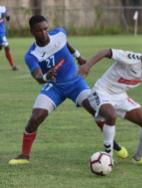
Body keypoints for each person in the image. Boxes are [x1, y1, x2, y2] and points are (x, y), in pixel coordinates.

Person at [8, 15, 127, 165]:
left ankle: (112, 144)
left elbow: (65, 44)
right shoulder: (31, 55)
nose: (44, 33)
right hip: (54, 87)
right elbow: (38, 77)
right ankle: (24, 156)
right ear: (31, 31)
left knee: (96, 110)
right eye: (39, 31)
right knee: (36, 117)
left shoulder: (59, 33)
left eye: (45, 29)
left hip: (76, 83)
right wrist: (46, 76)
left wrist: (78, 56)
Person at [0, 5, 17, 70]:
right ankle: (13, 65)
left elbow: (7, 17)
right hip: (1, 34)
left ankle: (13, 65)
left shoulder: (2, 8)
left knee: (4, 47)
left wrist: (7, 18)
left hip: (2, 32)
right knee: (6, 47)